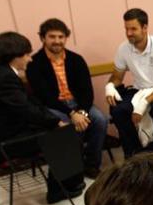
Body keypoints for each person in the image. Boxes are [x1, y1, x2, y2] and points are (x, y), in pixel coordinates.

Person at [0, 31, 84, 204]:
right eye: (26, 54)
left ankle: (69, 182)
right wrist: (56, 121)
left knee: (59, 130)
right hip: (6, 143)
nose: (30, 58)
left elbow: (28, 103)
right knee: (67, 135)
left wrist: (51, 120)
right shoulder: (5, 78)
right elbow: (27, 109)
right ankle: (60, 190)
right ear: (13, 56)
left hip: (6, 134)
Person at [27, 18, 108, 179]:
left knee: (100, 120)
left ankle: (91, 164)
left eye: (61, 37)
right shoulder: (34, 63)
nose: (57, 41)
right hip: (53, 107)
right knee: (67, 127)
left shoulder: (76, 60)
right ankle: (73, 170)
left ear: (66, 38)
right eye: (52, 37)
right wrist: (72, 114)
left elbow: (87, 92)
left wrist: (82, 112)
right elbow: (45, 97)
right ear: (43, 38)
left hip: (78, 104)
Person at [106, 8, 153, 158]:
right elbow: (117, 77)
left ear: (145, 28)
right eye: (126, 29)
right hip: (140, 89)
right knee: (118, 111)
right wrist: (110, 86)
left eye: (133, 29)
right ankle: (134, 153)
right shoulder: (123, 49)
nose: (129, 33)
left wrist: (142, 104)